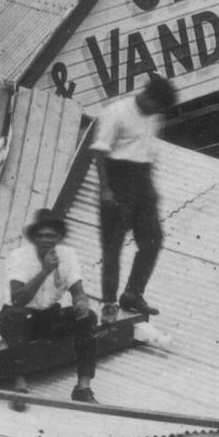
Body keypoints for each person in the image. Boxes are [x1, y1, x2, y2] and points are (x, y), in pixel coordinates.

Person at [92, 73, 178, 320]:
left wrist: (150, 188)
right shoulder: (116, 112)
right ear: (147, 96)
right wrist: (105, 189)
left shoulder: (155, 116)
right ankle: (109, 302)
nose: (155, 112)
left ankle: (133, 293)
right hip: (117, 179)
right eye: (155, 106)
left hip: (143, 182)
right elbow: (99, 152)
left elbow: (148, 150)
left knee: (153, 239)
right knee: (113, 246)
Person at [0, 209, 97, 408]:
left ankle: (83, 387)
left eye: (50, 236)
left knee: (88, 318)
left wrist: (81, 303)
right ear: (34, 238)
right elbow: (18, 299)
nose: (45, 240)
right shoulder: (19, 256)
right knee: (17, 316)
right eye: (40, 236)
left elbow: (78, 291)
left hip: (48, 317)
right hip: (19, 316)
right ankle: (19, 386)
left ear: (58, 238)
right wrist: (45, 271)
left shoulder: (67, 255)